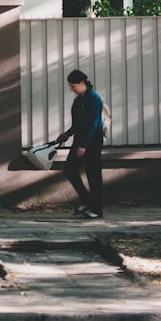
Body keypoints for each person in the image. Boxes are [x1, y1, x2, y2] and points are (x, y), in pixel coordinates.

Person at [55, 69, 105, 219]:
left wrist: (83, 145)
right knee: (70, 169)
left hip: (93, 142)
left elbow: (93, 124)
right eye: (70, 86)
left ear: (82, 83)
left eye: (73, 86)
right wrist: (67, 134)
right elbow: (78, 124)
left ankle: (97, 209)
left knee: (93, 174)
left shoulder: (94, 99)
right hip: (80, 141)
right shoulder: (78, 101)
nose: (71, 89)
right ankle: (87, 199)